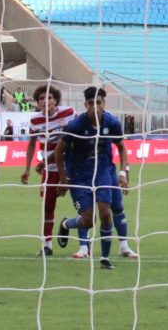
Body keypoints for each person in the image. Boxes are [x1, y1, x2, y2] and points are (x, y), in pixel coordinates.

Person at [54, 86, 135, 267]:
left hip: (103, 172)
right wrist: (64, 179)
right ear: (86, 105)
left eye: (98, 103)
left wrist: (123, 173)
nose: (94, 107)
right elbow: (59, 152)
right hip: (80, 176)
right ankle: (66, 224)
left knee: (106, 213)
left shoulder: (112, 123)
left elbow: (122, 148)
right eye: (91, 103)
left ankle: (105, 259)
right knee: (88, 221)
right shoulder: (75, 126)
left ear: (103, 104)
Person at [23, 84, 74, 256]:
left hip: (71, 167)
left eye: (49, 97)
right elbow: (31, 144)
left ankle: (84, 245)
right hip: (50, 170)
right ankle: (47, 244)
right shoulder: (35, 121)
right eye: (41, 99)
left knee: (84, 203)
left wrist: (45, 161)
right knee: (47, 206)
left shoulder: (68, 113)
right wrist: (27, 169)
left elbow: (70, 140)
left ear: (56, 100)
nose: (45, 101)